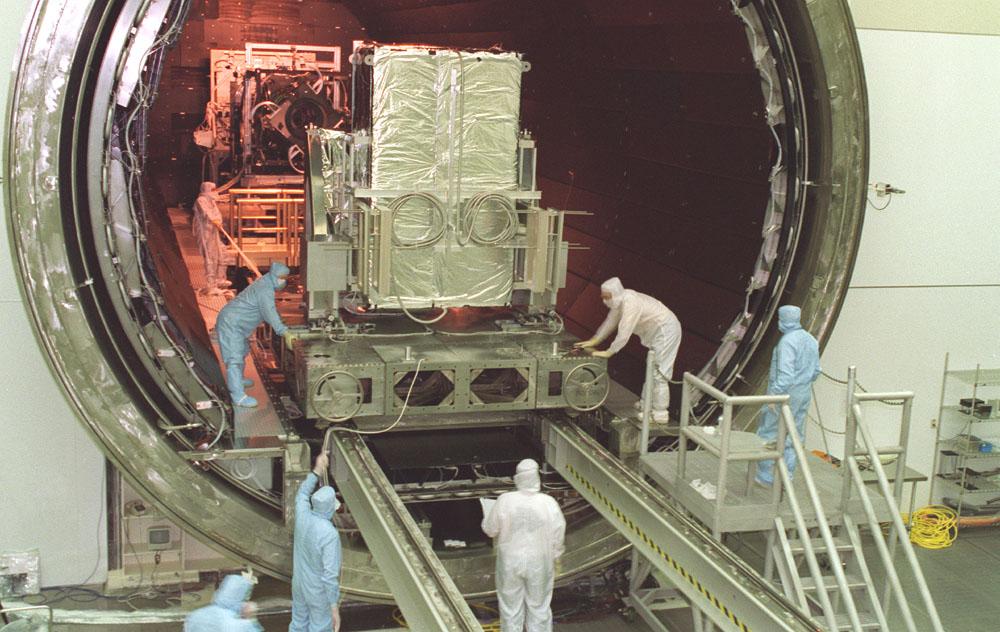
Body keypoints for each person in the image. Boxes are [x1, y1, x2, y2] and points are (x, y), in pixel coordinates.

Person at [574, 277, 682, 423]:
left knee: (659, 373)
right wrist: (594, 340)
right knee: (652, 368)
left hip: (666, 331)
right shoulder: (620, 301)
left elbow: (624, 331)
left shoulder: (631, 303)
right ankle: (646, 404)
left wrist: (610, 351)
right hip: (658, 333)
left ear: (615, 293)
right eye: (603, 297)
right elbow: (610, 322)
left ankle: (660, 413)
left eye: (607, 297)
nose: (605, 301)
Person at [481, 459, 566, 632]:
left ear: (517, 478)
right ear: (537, 477)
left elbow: (490, 529)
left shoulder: (505, 500)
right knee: (539, 608)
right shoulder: (548, 503)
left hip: (510, 563)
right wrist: (556, 558)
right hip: (540, 562)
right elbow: (558, 534)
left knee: (510, 609)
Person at [755, 305, 821, 485]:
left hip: (784, 396)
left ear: (783, 319)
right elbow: (816, 371)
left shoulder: (787, 342)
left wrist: (774, 396)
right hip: (803, 393)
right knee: (795, 435)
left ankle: (766, 476)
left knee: (769, 433)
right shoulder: (810, 340)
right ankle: (787, 476)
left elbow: (785, 376)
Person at [215, 261, 294, 407]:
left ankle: (239, 380)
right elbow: (269, 312)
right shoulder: (265, 289)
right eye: (282, 278)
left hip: (238, 324)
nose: (284, 281)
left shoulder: (266, 282)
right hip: (231, 323)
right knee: (234, 359)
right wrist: (284, 332)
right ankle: (238, 396)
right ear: (275, 276)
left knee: (243, 351)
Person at [290, 451, 342, 632]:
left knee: (298, 624)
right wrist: (334, 606)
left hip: (299, 584)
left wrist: (317, 470)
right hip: (318, 592)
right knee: (320, 627)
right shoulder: (329, 534)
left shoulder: (303, 515)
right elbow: (329, 575)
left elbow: (302, 493)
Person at [184, 573, 263, 632]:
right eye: (244, 599)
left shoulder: (196, 615)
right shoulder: (236, 624)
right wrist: (249, 617)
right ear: (239, 597)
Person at [193, 181, 229, 294]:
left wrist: (218, 221)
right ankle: (210, 284)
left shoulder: (211, 201)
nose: (215, 192)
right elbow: (206, 213)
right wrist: (213, 220)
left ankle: (219, 279)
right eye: (212, 189)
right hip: (205, 233)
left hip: (213, 231)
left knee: (221, 252)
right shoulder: (201, 200)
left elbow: (217, 214)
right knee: (210, 256)